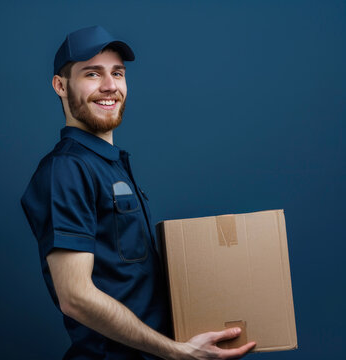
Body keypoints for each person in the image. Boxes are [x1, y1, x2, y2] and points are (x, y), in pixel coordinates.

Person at [21, 25, 256, 360]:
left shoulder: (110, 164)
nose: (109, 86)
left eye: (117, 73)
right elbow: (75, 296)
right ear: (61, 85)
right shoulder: (67, 169)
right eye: (92, 73)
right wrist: (175, 352)